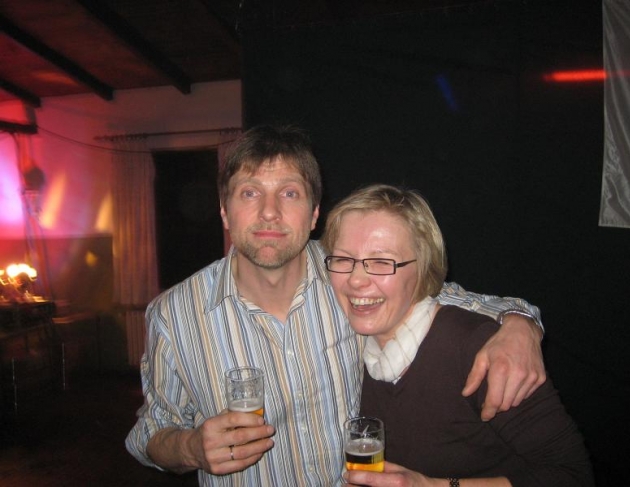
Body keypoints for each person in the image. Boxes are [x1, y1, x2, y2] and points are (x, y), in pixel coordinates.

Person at [125, 125, 546, 486]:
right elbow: (150, 432)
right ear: (224, 212)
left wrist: (520, 324)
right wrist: (191, 447)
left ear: (314, 214)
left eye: (289, 193)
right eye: (250, 192)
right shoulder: (174, 315)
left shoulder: (349, 275)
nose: (269, 212)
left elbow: (448, 296)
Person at [320, 184, 594, 487]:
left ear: (423, 268)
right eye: (343, 259)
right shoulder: (361, 348)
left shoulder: (477, 347)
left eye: (382, 261)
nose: (356, 280)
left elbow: (573, 475)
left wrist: (436, 486)